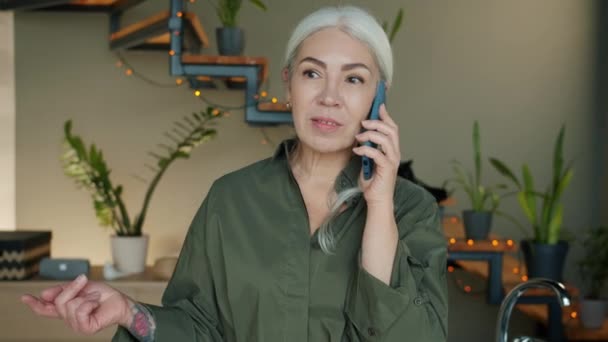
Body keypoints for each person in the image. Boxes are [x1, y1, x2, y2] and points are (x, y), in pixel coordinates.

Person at [21, 5, 448, 341]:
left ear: (378, 98)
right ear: (288, 84)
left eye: (354, 79)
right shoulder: (230, 198)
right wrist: (129, 312)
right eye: (312, 73)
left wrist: (377, 206)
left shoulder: (411, 210)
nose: (329, 97)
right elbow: (199, 328)